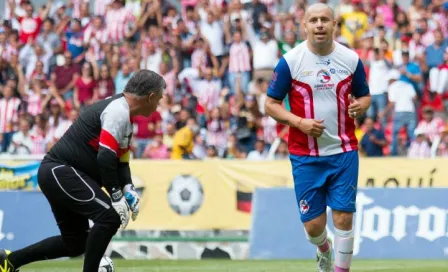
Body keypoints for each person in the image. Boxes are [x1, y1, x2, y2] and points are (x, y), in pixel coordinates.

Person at [0, 70, 166, 272]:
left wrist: (128, 188)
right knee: (109, 217)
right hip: (60, 171)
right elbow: (105, 157)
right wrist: (115, 194)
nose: (159, 104)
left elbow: (121, 161)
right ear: (150, 96)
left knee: (75, 243)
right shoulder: (118, 111)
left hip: (59, 174)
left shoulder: (124, 113)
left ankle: (9, 261)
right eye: (159, 98)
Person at [264, 3, 371, 272]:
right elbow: (270, 104)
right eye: (314, 20)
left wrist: (362, 105)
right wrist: (300, 123)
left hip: (343, 151)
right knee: (314, 227)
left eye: (325, 19)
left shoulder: (350, 59)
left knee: (344, 218)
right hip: (305, 155)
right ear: (305, 26)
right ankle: (324, 248)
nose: (320, 24)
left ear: (335, 25)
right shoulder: (291, 62)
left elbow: (365, 95)